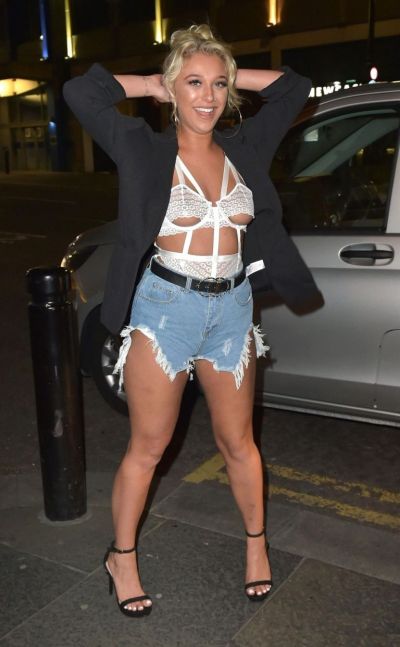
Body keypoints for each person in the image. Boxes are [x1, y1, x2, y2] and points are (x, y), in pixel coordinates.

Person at [63, 24, 319, 618]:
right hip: (165, 311)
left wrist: (224, 70)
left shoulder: (245, 146)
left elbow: (295, 87)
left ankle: (256, 546)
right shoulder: (142, 146)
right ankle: (122, 557)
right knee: (149, 446)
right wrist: (154, 82)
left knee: (239, 443)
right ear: (173, 89)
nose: (207, 97)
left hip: (232, 310)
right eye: (194, 83)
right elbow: (82, 93)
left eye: (218, 85)